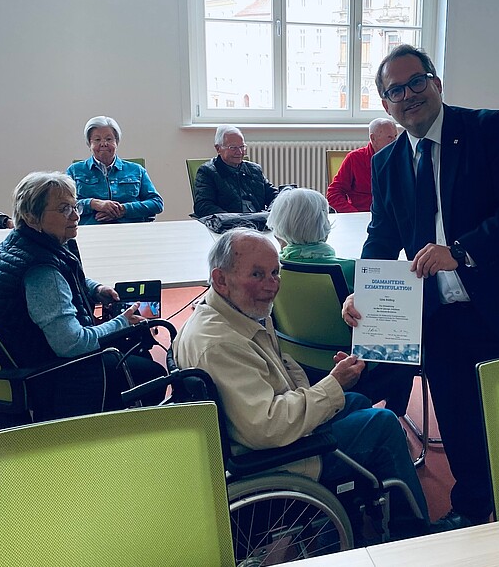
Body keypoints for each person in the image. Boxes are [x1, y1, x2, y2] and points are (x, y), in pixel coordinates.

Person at [342, 45, 499, 531]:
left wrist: (462, 251)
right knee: (458, 412)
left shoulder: (489, 129)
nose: (409, 95)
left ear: (436, 83)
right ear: (385, 104)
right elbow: (382, 234)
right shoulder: (387, 163)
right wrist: (363, 290)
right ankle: (471, 507)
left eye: (416, 81)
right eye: (396, 90)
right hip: (440, 311)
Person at [171, 228, 433, 540]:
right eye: (257, 274)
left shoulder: (230, 314)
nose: (271, 285)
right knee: (384, 424)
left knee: (358, 402)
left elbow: (278, 378)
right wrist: (332, 385)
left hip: (257, 433)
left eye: (274, 273)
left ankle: (359, 511)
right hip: (272, 457)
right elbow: (268, 427)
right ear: (220, 279)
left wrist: (332, 384)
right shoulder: (220, 344)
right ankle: (415, 534)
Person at [0, 172, 165, 422]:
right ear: (31, 216)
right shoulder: (41, 271)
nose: (76, 216)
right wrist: (121, 323)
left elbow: (60, 282)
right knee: (154, 376)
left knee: (133, 349)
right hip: (47, 379)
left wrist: (95, 289)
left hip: (21, 362)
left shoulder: (22, 244)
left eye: (75, 206)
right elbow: (73, 345)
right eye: (64, 209)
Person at [267, 187, 416, 416]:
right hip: (356, 371)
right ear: (325, 226)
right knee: (408, 342)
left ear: (278, 229)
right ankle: (395, 415)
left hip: (296, 366)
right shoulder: (354, 271)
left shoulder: (269, 273)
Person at [66, 116, 164, 225]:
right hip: (90, 230)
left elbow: (157, 203)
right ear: (89, 143)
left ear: (116, 142)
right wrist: (93, 204)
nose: (103, 144)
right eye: (97, 139)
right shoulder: (74, 171)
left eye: (109, 139)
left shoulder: (137, 170)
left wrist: (123, 210)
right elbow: (64, 206)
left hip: (131, 229)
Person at [193, 125, 278, 217]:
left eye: (242, 147)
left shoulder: (255, 169)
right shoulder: (207, 172)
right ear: (218, 148)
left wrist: (271, 213)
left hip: (258, 221)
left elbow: (275, 196)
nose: (239, 152)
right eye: (233, 147)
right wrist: (233, 218)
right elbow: (203, 206)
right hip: (230, 223)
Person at [326, 118, 398, 212]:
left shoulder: (400, 157)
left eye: (395, 137)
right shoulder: (355, 158)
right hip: (363, 213)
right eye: (389, 137)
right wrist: (354, 214)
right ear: (373, 138)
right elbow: (333, 193)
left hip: (393, 215)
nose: (395, 142)